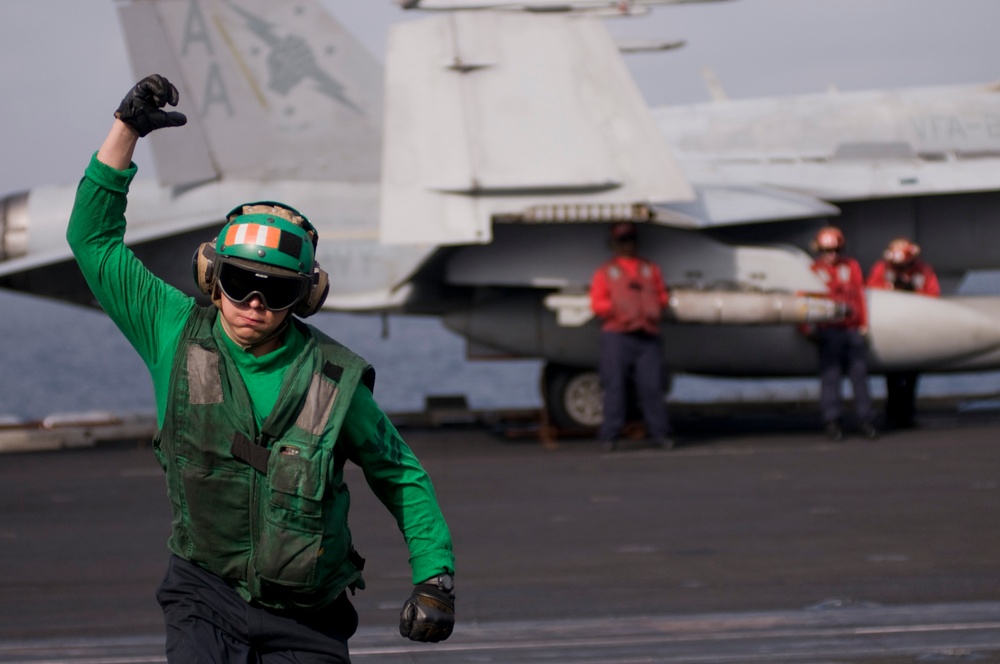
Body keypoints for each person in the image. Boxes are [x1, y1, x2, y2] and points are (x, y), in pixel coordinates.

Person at [66, 75, 455, 663]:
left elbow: (399, 474)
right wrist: (125, 131)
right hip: (204, 595)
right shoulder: (172, 329)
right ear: (211, 277)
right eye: (240, 281)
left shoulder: (333, 379)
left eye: (275, 291)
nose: (254, 302)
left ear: (306, 297)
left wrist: (435, 578)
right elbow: (92, 240)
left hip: (309, 615)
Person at [589, 222, 673, 451]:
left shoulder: (650, 269)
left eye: (631, 239)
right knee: (614, 386)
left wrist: (653, 308)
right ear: (614, 243)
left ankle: (660, 433)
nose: (628, 244)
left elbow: (662, 295)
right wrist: (617, 309)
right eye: (623, 240)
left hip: (647, 335)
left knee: (652, 386)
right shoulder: (606, 272)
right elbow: (597, 303)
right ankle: (609, 435)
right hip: (617, 335)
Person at [803, 226, 878, 441]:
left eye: (835, 250)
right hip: (828, 331)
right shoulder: (812, 270)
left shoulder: (851, 266)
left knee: (860, 377)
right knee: (831, 378)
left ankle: (866, 420)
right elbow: (804, 299)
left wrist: (863, 323)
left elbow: (859, 296)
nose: (832, 255)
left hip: (851, 330)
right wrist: (806, 329)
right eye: (827, 250)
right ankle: (832, 421)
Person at [867, 237, 941, 429]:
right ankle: (892, 413)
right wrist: (892, 289)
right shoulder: (881, 269)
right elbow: (871, 291)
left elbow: (934, 295)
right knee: (892, 376)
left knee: (911, 377)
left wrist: (913, 293)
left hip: (915, 331)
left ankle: (907, 414)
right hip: (891, 331)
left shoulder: (923, 271)